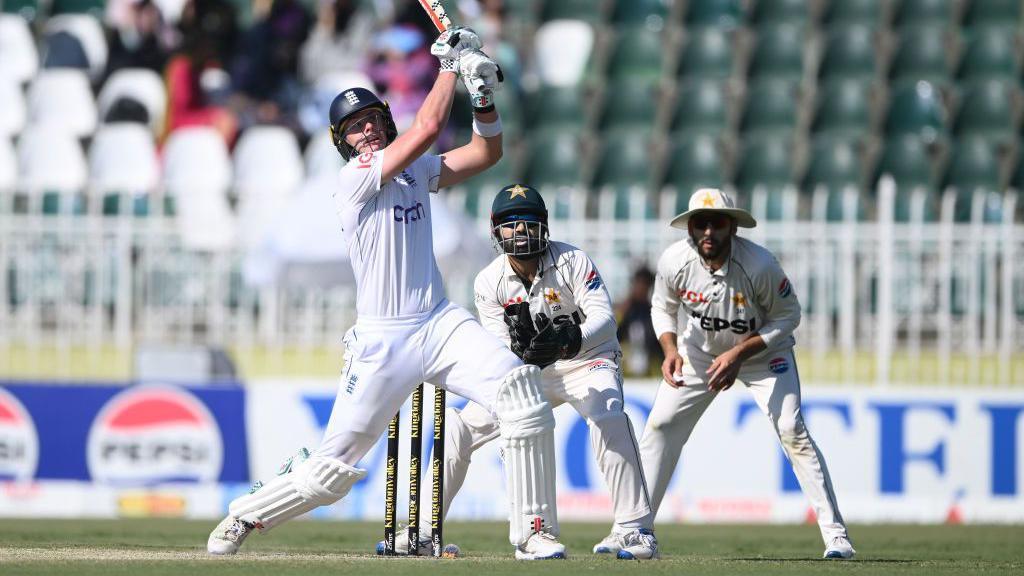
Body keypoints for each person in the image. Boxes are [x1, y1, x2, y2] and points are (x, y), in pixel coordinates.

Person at [206, 28, 566, 560]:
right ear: (342, 143)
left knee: (523, 396)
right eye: (354, 127)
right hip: (382, 342)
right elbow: (427, 126)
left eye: (373, 119)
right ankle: (243, 516)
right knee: (332, 473)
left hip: (440, 322)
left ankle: (534, 532)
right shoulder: (356, 180)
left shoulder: (416, 173)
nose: (367, 129)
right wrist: (452, 64)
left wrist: (484, 97)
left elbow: (487, 153)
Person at [382, 184, 658, 560]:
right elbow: (499, 352)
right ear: (497, 232)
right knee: (457, 428)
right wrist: (523, 353)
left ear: (544, 227)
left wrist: (569, 341)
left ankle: (635, 529)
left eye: (529, 223)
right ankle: (426, 532)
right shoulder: (488, 282)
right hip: (530, 373)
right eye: (512, 225)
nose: (522, 232)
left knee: (607, 414)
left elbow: (606, 321)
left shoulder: (573, 261)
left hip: (586, 361)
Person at [639, 187, 856, 560]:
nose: (709, 231)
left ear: (733, 228)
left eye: (717, 223)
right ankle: (634, 529)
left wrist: (740, 353)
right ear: (690, 228)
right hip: (699, 352)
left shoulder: (760, 266)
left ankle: (836, 536)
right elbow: (663, 306)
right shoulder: (674, 260)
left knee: (791, 429)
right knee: (660, 425)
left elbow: (789, 316)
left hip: (761, 355)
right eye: (700, 223)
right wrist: (671, 349)